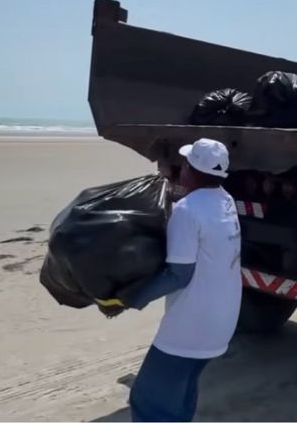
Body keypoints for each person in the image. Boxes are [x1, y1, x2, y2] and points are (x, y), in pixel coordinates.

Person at [98, 139, 242, 422]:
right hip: (223, 320)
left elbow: (178, 274)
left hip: (191, 326)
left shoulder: (188, 211)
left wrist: (128, 299)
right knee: (180, 397)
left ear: (190, 169)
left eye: (185, 163)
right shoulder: (226, 201)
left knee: (148, 400)